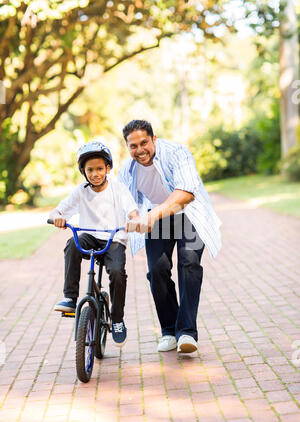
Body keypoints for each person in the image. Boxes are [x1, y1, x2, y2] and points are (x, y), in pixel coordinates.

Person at [119, 120, 222, 354]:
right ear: (127, 147)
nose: (139, 150)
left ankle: (187, 332)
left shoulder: (177, 153)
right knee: (157, 271)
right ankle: (168, 331)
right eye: (133, 146)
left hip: (189, 215)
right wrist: (134, 217)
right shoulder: (128, 170)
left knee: (189, 263)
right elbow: (125, 201)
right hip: (157, 219)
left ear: (154, 139)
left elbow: (185, 194)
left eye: (144, 142)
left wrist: (151, 215)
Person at [49, 140, 139, 347]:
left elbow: (132, 211)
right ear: (83, 171)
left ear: (108, 168)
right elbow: (58, 211)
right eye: (90, 169)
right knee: (72, 243)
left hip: (113, 238)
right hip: (89, 235)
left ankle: (117, 319)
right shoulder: (81, 191)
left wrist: (134, 219)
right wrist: (57, 217)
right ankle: (70, 299)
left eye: (100, 168)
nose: (95, 173)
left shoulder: (118, 189)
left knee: (117, 272)